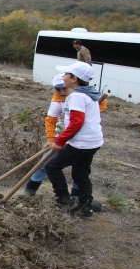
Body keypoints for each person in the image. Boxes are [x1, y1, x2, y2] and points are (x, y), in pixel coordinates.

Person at [18, 74, 107, 210]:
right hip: (63, 137)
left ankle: (75, 199)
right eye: (57, 89)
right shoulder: (59, 100)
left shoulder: (81, 96)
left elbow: (82, 120)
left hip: (78, 139)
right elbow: (50, 120)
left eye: (64, 89)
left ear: (72, 84)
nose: (61, 92)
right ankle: (31, 189)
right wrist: (51, 139)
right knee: (46, 163)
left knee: (75, 169)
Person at [45, 61, 103, 220]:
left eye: (66, 74)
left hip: (82, 143)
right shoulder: (90, 93)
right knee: (81, 173)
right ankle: (85, 208)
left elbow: (77, 122)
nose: (63, 77)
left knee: (52, 166)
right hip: (93, 141)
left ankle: (64, 200)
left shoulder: (77, 96)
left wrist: (60, 141)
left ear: (74, 79)